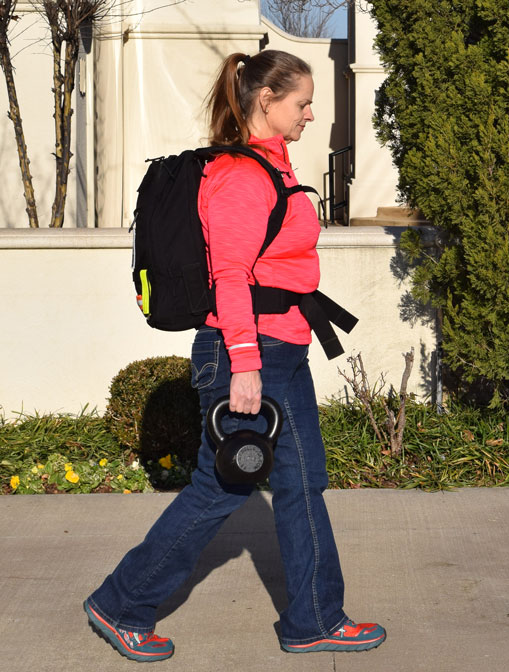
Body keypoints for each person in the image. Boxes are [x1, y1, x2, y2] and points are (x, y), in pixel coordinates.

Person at [83, 49, 386, 662]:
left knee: (302, 486)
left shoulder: (273, 168)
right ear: (266, 102)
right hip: (247, 352)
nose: (308, 115)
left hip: (282, 347)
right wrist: (245, 364)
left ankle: (315, 619)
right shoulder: (241, 176)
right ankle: (122, 603)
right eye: (301, 103)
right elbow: (229, 277)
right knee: (221, 488)